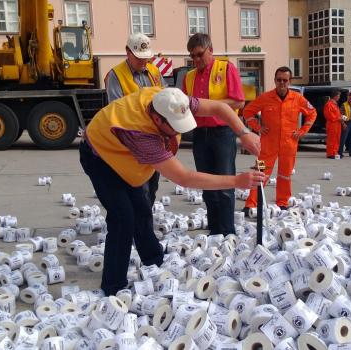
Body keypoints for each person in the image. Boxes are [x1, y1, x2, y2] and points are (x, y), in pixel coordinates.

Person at [80, 87, 263, 295]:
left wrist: (244, 133)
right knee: (123, 217)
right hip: (100, 156)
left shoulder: (173, 100)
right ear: (158, 120)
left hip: (122, 151)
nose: (178, 132)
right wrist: (237, 180)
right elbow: (183, 177)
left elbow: (220, 107)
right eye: (175, 127)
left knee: (141, 207)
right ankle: (113, 287)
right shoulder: (141, 135)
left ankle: (153, 260)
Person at [182, 33, 245, 236]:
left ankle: (227, 232)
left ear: (210, 50)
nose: (196, 60)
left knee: (226, 184)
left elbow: (238, 102)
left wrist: (212, 107)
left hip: (222, 133)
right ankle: (215, 230)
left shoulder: (226, 68)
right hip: (200, 134)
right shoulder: (189, 77)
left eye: (200, 54)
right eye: (192, 56)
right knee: (207, 184)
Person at [241, 67, 317, 214]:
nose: (282, 83)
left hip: (289, 144)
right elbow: (247, 111)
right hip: (268, 144)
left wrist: (302, 131)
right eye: (279, 80)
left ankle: (282, 202)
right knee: (260, 172)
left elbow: (312, 113)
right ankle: (251, 204)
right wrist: (258, 127)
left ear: (290, 81)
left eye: (285, 80)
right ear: (275, 80)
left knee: (285, 175)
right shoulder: (265, 97)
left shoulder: (297, 98)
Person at [104, 33, 166, 205]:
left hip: (154, 139)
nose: (143, 62)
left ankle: (144, 223)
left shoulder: (154, 71)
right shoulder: (115, 75)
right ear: (127, 52)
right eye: (139, 58)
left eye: (146, 58)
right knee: (137, 189)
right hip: (131, 142)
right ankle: (138, 226)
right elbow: (117, 112)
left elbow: (165, 97)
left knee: (152, 187)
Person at [324, 90, 343, 159]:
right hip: (332, 124)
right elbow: (329, 115)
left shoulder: (335, 104)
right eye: (338, 96)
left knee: (336, 139)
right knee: (331, 139)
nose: (339, 97)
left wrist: (341, 118)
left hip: (337, 124)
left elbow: (337, 114)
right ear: (335, 96)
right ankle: (330, 154)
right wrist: (339, 118)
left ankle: (335, 152)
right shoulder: (329, 104)